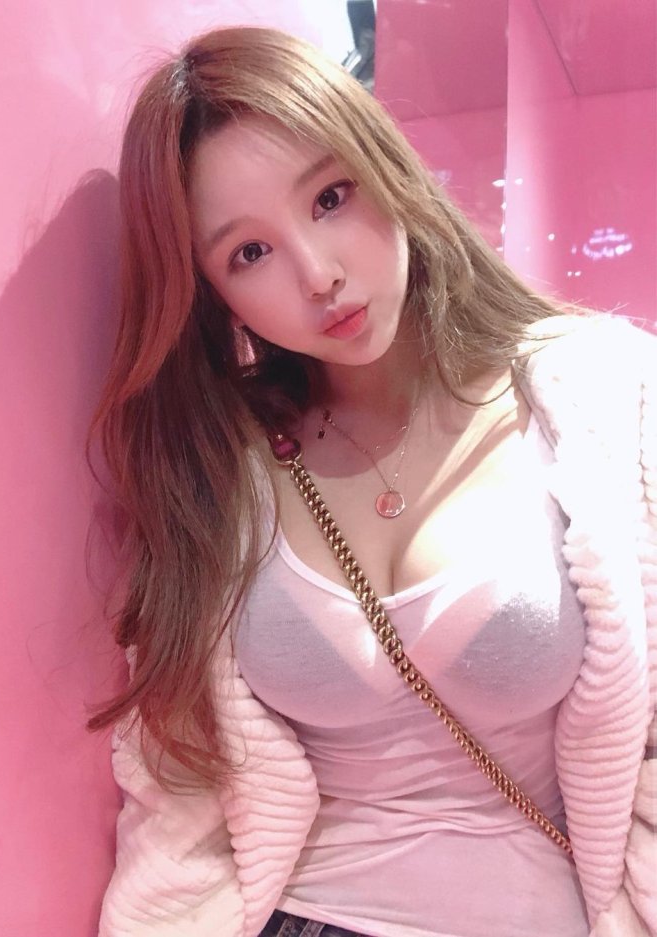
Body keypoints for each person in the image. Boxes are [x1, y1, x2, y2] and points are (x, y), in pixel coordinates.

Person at [87, 24, 656, 937]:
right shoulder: (222, 467)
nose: (319, 275)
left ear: (385, 164)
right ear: (212, 295)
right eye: (249, 253)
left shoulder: (605, 393)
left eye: (330, 196)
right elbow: (175, 789)